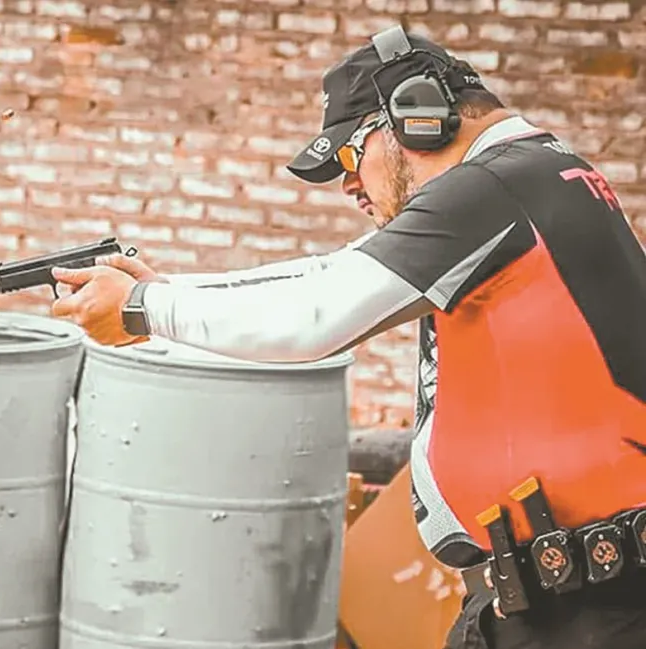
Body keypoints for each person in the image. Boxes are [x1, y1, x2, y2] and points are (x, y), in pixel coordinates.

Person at [46, 24, 646, 649]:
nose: (348, 185)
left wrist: (144, 308)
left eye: (350, 155)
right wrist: (170, 290)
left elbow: (317, 314)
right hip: (563, 595)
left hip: (587, 610)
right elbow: (328, 276)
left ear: (417, 117)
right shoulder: (535, 175)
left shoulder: (490, 187)